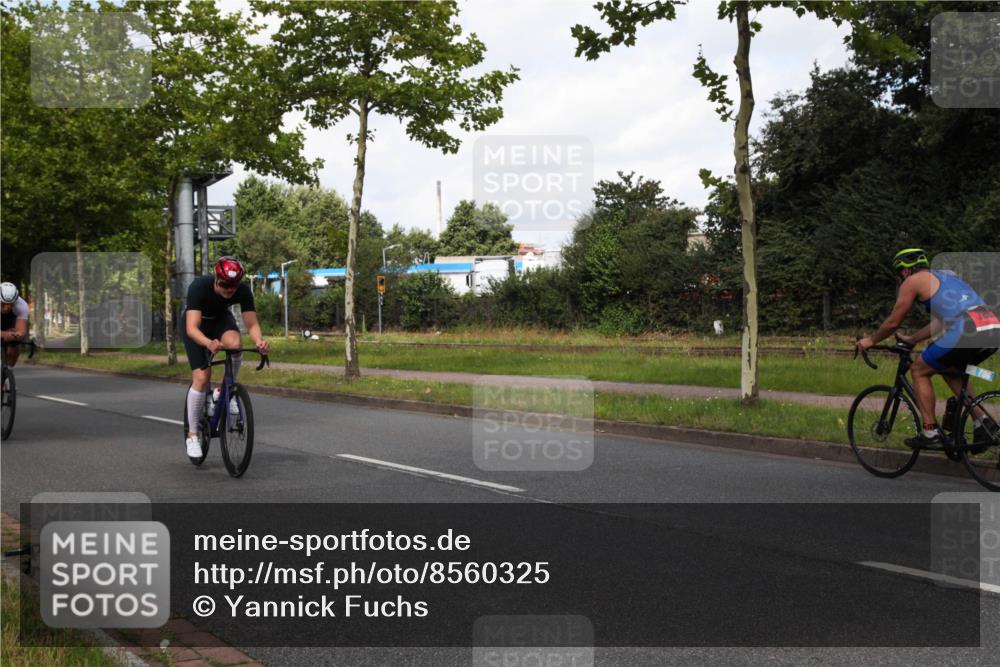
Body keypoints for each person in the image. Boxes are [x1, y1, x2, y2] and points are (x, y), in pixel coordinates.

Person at [856, 249, 1000, 448]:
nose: (901, 277)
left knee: (919, 370)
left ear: (905, 271)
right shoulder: (948, 276)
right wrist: (913, 339)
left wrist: (870, 340)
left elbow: (893, 322)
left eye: (900, 273)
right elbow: (942, 322)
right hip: (991, 326)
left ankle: (930, 432)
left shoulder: (912, 281)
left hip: (967, 328)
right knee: (951, 370)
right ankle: (982, 422)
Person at [182, 257, 269, 459]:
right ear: (216, 278)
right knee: (202, 377)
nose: (229, 290)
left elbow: (252, 324)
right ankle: (192, 435)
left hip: (221, 320)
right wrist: (207, 343)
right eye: (224, 285)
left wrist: (259, 341)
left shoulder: (243, 291)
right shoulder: (199, 287)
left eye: (233, 286)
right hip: (197, 326)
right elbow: (191, 328)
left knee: (235, 344)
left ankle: (225, 391)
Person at [1, 282, 29, 368]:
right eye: (3, 304)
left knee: (15, 348)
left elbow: (21, 331)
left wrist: (17, 335)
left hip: (11, 320)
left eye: (10, 304)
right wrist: (5, 334)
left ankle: (7, 372)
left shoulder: (22, 305)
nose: (6, 307)